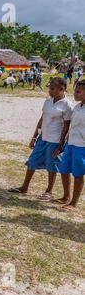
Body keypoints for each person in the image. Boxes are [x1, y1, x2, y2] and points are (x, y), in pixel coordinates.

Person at [9, 78, 73, 200]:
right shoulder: (48, 101)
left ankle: (49, 191)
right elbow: (42, 118)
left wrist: (60, 145)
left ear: (62, 89)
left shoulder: (67, 105)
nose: (50, 91)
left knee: (51, 166)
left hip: (55, 140)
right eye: (49, 88)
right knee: (32, 161)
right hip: (43, 137)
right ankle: (24, 187)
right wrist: (34, 136)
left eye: (53, 89)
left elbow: (66, 127)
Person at [55, 80, 85, 212]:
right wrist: (62, 144)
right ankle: (66, 196)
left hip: (81, 146)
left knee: (78, 174)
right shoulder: (77, 107)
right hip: (71, 143)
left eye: (78, 91)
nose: (75, 93)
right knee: (64, 169)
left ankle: (74, 203)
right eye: (75, 91)